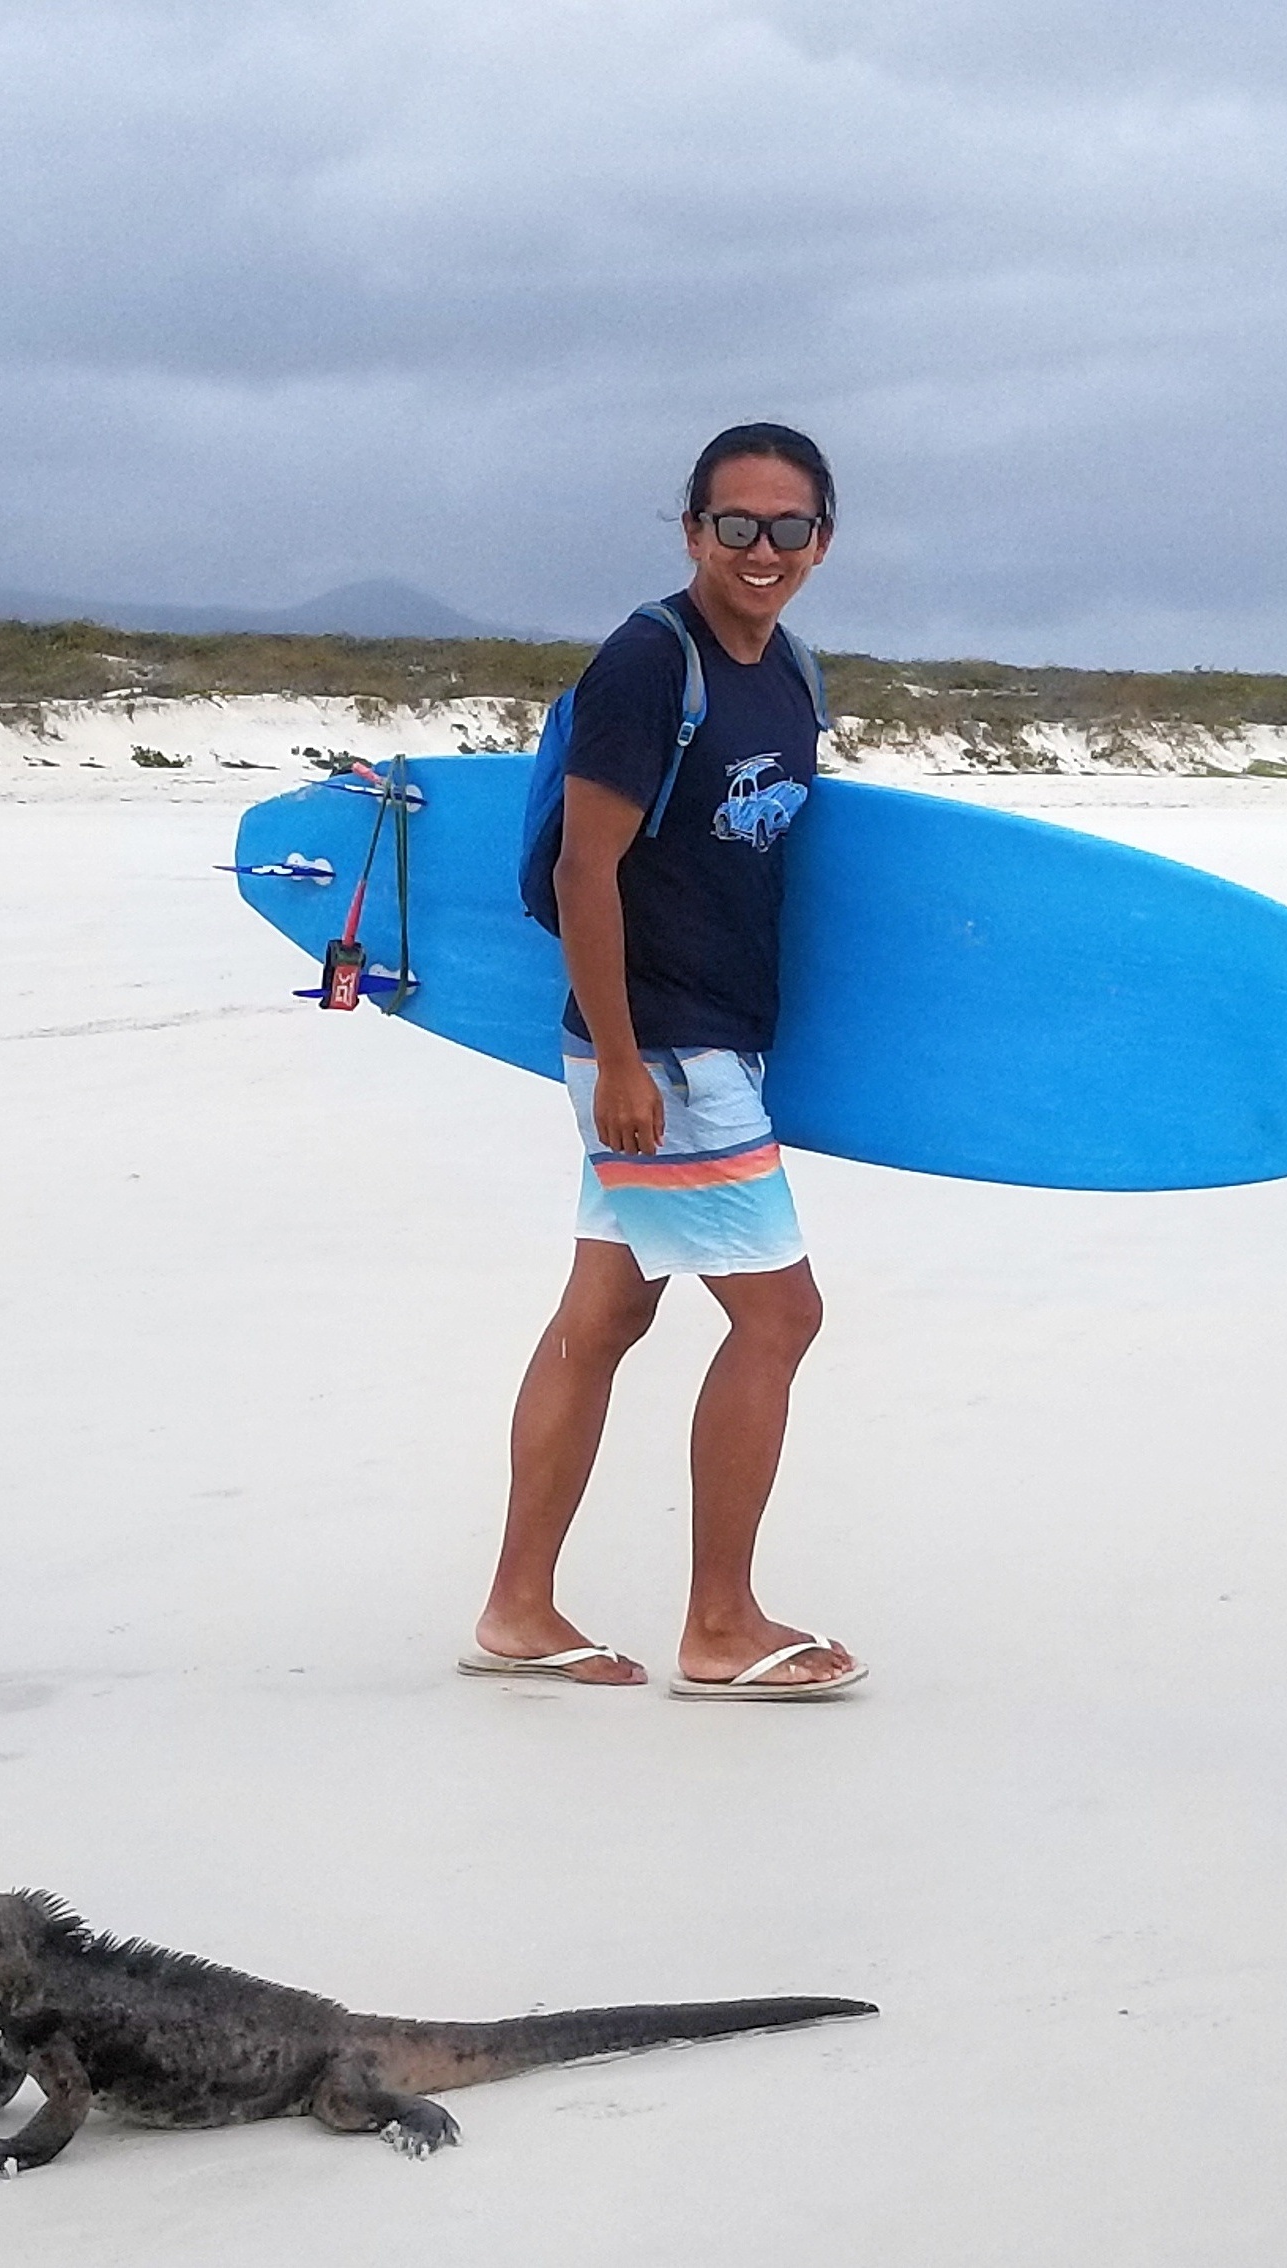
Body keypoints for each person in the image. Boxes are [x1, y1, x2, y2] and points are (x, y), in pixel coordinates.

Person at [463, 423, 865, 1699]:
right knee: (780, 1314)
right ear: (692, 531)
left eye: (787, 527)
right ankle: (722, 1624)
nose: (761, 550)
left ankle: (518, 1609)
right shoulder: (652, 663)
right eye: (734, 525)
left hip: (716, 1039)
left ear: (822, 541)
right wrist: (623, 1061)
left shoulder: (788, 668)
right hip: (663, 1049)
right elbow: (589, 870)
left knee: (607, 1311)